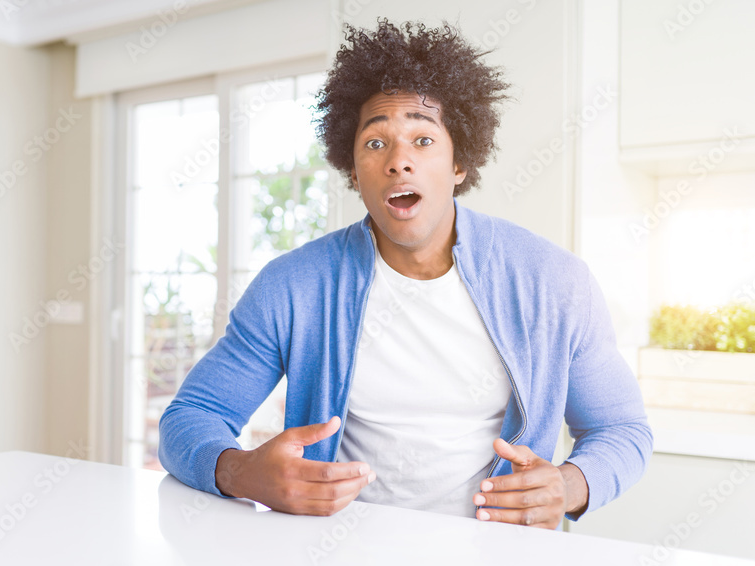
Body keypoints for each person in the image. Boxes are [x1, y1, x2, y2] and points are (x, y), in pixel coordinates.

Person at [159, 19, 652, 530]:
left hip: (500, 558)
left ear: (459, 162)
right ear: (352, 171)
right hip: (338, 555)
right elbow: (188, 419)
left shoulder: (553, 282)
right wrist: (240, 471)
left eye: (422, 139)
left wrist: (568, 486)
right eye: (376, 144)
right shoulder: (294, 287)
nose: (399, 162)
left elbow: (621, 430)